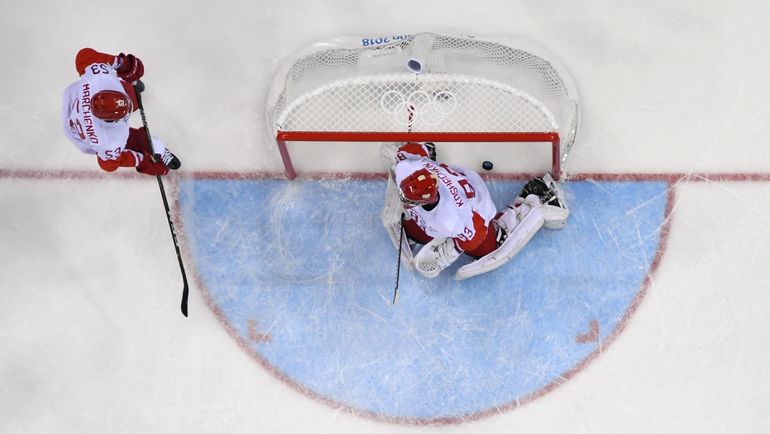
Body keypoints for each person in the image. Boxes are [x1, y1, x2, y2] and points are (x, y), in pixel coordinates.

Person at [381, 142, 570, 280]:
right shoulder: (407, 167)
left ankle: (538, 195)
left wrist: (452, 249)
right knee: (422, 229)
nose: (405, 202)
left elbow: (475, 234)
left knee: (487, 247)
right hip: (456, 187)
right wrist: (421, 150)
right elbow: (412, 150)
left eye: (409, 200)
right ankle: (428, 233)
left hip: (475, 206)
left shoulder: (453, 219)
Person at [62, 48, 180, 176]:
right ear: (110, 121)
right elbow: (108, 165)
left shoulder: (96, 79)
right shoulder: (105, 139)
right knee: (131, 140)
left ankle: (128, 89)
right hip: (78, 133)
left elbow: (84, 55)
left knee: (133, 97)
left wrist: (124, 65)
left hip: (73, 97)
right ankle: (151, 146)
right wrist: (142, 161)